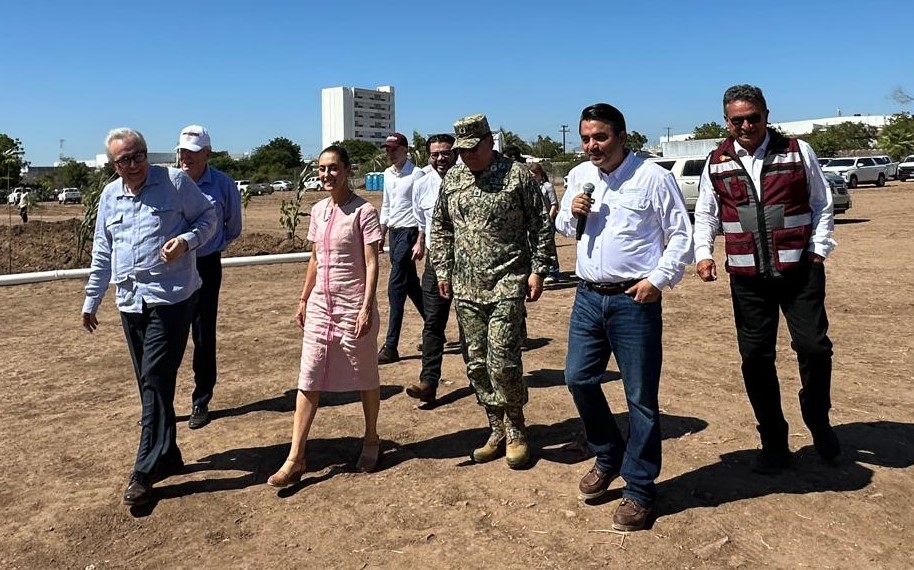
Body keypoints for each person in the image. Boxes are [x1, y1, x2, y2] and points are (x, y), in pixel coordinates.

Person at [555, 103, 692, 531]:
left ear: (622, 137)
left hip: (635, 299)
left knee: (640, 397)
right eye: (586, 138)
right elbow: (563, 227)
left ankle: (639, 487)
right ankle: (608, 454)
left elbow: (680, 235)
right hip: (588, 296)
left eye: (600, 137)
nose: (591, 146)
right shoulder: (580, 175)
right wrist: (572, 212)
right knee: (578, 377)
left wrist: (657, 280)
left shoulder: (653, 178)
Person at [694, 84, 840, 475]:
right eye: (737, 120)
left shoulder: (796, 151)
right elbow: (706, 213)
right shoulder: (716, 161)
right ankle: (773, 440)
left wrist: (818, 250)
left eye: (753, 118)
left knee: (814, 348)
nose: (746, 126)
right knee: (756, 359)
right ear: (726, 121)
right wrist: (704, 253)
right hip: (747, 278)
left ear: (766, 115)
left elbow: (821, 203)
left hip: (799, 271)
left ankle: (817, 416)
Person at [82, 128, 216, 507]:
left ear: (147, 153)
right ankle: (168, 453)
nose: (134, 164)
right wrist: (92, 299)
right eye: (124, 159)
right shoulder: (110, 195)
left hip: (172, 298)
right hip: (130, 300)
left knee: (154, 376)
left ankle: (144, 470)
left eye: (138, 155)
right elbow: (103, 251)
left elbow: (209, 218)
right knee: (151, 382)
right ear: (114, 165)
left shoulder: (175, 182)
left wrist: (186, 242)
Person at [430, 114, 556, 469]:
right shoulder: (453, 179)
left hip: (507, 281)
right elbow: (440, 226)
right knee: (476, 363)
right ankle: (495, 427)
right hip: (466, 286)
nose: (467, 155)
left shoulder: (517, 176)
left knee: (502, 361)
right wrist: (443, 269)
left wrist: (538, 270)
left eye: (473, 148)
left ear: (489, 142)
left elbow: (540, 225)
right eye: (462, 150)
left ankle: (516, 428)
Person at [267, 145, 383, 487]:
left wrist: (366, 307)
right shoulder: (318, 211)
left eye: (333, 167)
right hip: (321, 305)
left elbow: (373, 263)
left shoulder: (364, 212)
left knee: (365, 373)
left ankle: (371, 438)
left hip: (352, 305)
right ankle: (295, 457)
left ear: (347, 170)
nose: (327, 174)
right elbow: (315, 259)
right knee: (309, 375)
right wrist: (303, 299)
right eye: (321, 168)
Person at [176, 125, 243, 430]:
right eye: (182, 151)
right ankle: (159, 407)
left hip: (206, 265)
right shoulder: (168, 182)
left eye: (192, 152)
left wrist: (213, 246)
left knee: (203, 334)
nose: (185, 157)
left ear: (207, 154)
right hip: (171, 268)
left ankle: (201, 399)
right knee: (168, 335)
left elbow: (233, 226)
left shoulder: (223, 184)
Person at [406, 134, 460, 403]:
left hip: (466, 264)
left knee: (470, 324)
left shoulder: (469, 181)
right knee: (433, 323)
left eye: (446, 153)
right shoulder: (421, 185)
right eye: (435, 154)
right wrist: (420, 242)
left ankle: (482, 381)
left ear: (456, 154)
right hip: (435, 264)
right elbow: (421, 221)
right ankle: (428, 382)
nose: (440, 158)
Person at [377, 132, 426, 364]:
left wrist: (420, 239)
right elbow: (387, 204)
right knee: (411, 285)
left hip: (410, 232)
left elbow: (422, 209)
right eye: (387, 149)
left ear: (405, 150)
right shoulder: (388, 174)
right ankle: (434, 326)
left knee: (395, 287)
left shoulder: (417, 175)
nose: (390, 153)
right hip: (395, 233)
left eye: (394, 149)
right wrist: (382, 231)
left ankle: (391, 346)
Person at [528, 163, 560, 283]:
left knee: (549, 246)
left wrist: (549, 219)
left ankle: (553, 271)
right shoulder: (530, 187)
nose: (532, 176)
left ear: (540, 174)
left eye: (534, 174)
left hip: (548, 220)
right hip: (535, 221)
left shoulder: (547, 186)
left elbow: (554, 204)